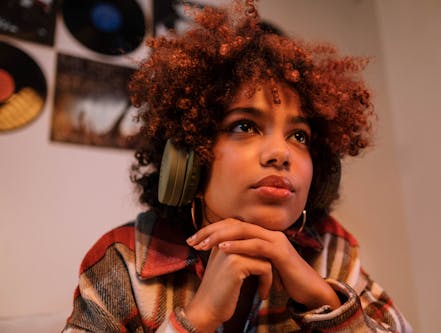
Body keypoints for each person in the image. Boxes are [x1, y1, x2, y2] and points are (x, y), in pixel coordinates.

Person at [63, 2, 412, 332]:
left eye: (299, 136)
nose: (280, 153)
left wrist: (322, 299)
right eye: (245, 126)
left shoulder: (330, 250)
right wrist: (198, 318)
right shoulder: (124, 260)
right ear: (189, 159)